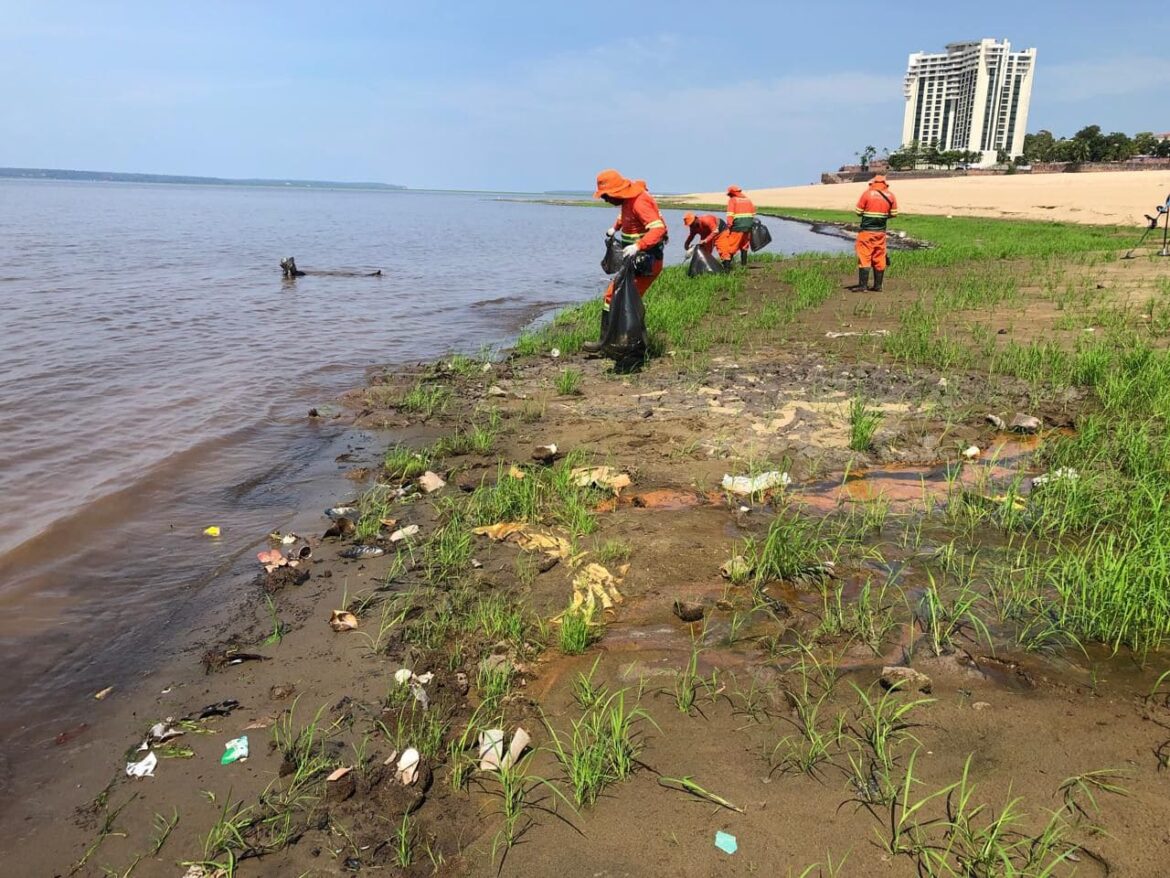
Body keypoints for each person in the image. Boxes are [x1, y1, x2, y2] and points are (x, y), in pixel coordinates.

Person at [582, 169, 667, 354]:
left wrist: (638, 245)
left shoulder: (640, 201)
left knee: (625, 300)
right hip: (633, 262)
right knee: (613, 297)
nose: (605, 200)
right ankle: (608, 341)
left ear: (616, 191)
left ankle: (631, 346)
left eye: (606, 196)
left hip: (647, 263)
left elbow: (658, 229)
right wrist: (614, 229)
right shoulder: (628, 201)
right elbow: (624, 218)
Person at [851, 175, 898, 292]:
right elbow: (894, 213)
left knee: (864, 256)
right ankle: (878, 286)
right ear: (885, 183)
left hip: (866, 231)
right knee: (879, 256)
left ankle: (863, 286)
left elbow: (858, 212)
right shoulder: (891, 195)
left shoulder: (867, 194)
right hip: (881, 232)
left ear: (873, 183)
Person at [713, 185, 755, 268]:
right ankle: (743, 266)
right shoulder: (748, 200)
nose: (729, 196)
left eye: (729, 194)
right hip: (748, 227)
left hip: (737, 227)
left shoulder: (732, 200)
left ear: (732, 193)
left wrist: (729, 227)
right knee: (744, 246)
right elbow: (753, 214)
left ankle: (727, 268)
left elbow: (730, 216)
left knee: (730, 247)